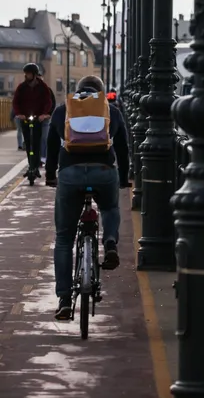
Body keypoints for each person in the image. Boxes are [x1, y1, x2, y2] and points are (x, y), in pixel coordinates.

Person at [45, 75, 130, 321]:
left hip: (70, 174)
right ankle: (110, 242)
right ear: (101, 92)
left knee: (63, 238)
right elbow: (123, 147)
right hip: (104, 171)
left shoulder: (64, 110)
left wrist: (51, 174)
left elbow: (51, 145)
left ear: (78, 91)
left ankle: (63, 299)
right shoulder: (111, 110)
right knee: (110, 208)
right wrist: (123, 177)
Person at [12, 63, 55, 178]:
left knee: (36, 143)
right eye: (26, 73)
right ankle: (31, 166)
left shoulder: (43, 87)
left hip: (38, 119)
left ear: (34, 74)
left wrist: (44, 114)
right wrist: (19, 113)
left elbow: (48, 101)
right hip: (25, 117)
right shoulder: (21, 87)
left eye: (29, 73)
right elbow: (16, 101)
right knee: (28, 142)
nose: (27, 75)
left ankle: (36, 166)